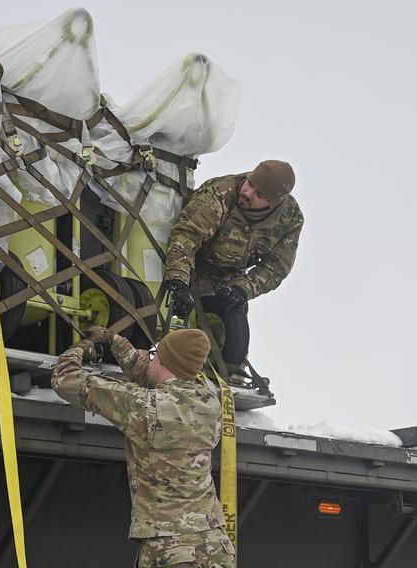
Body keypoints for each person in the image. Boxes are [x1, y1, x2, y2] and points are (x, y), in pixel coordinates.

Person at [52, 327, 235, 568]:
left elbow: (65, 380)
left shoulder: (144, 406)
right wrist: (115, 341)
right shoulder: (209, 403)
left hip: (174, 552)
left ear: (161, 359)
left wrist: (81, 348)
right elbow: (152, 378)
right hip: (216, 545)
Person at [162, 160, 304, 376]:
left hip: (231, 277)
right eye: (250, 184)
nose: (248, 193)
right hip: (193, 260)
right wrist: (178, 280)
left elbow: (277, 266)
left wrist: (243, 289)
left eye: (259, 195)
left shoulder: (289, 219)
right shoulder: (221, 192)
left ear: (274, 203)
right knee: (178, 315)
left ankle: (226, 369)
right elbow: (187, 235)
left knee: (231, 331)